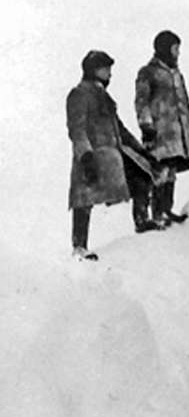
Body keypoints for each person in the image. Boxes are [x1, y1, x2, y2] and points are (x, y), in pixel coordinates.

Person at [66, 50, 159, 260]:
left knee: (142, 175)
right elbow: (77, 129)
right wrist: (86, 156)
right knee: (84, 200)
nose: (110, 73)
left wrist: (140, 151)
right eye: (106, 68)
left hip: (114, 155)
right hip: (93, 154)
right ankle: (79, 247)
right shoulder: (79, 94)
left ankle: (142, 221)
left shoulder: (103, 95)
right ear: (93, 70)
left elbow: (121, 130)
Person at [135, 30, 189, 228]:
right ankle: (157, 213)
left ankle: (166, 209)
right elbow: (141, 101)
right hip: (160, 130)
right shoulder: (148, 72)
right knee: (160, 170)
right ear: (165, 49)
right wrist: (146, 124)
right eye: (175, 49)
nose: (177, 53)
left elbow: (185, 103)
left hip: (178, 131)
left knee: (172, 169)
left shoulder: (176, 74)